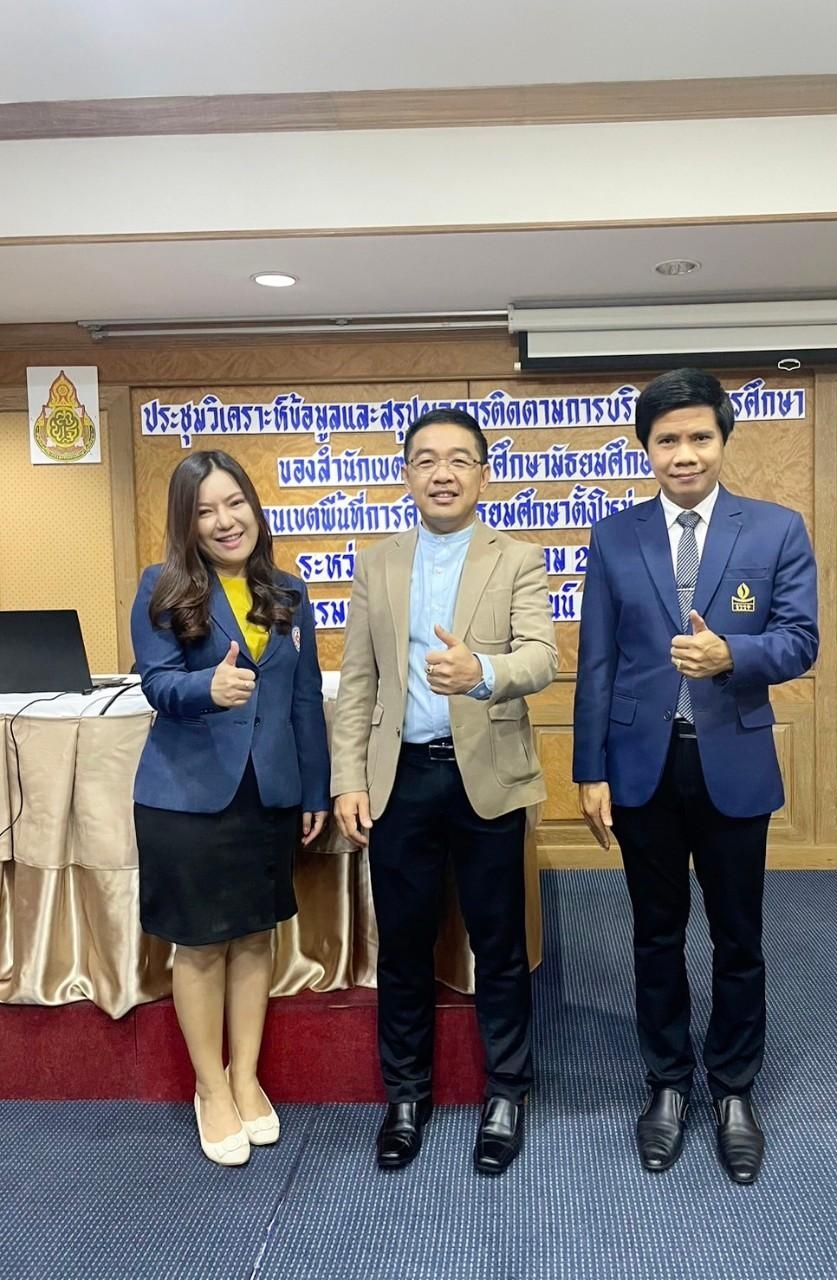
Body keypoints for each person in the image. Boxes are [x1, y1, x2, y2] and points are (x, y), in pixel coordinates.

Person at [574, 368, 818, 1185]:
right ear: (646, 448)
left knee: (738, 936)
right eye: (667, 440)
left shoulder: (775, 529)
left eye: (699, 437)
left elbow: (801, 639)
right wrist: (589, 770)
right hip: (642, 766)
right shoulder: (616, 536)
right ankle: (668, 1082)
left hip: (732, 761)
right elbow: (597, 661)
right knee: (655, 933)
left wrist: (730, 654)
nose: (684, 454)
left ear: (723, 440)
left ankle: (735, 1089)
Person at [331, 408, 557, 1175]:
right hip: (401, 780)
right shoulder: (377, 563)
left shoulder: (518, 558)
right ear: (407, 474)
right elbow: (358, 682)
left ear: (483, 474)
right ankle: (406, 1097)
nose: (443, 473)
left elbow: (542, 657)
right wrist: (348, 778)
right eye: (426, 459)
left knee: (499, 945)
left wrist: (481, 672)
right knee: (403, 946)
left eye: (459, 459)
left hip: (488, 775)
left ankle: (507, 1094)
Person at [131, 449, 330, 1166]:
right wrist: (204, 691)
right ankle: (209, 1088)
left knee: (253, 937)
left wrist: (314, 790)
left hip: (268, 794)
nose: (224, 521)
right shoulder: (162, 587)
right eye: (206, 511)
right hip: (188, 797)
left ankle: (246, 1078)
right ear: (187, 523)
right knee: (201, 943)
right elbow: (155, 682)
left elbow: (304, 700)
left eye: (234, 503)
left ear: (254, 506)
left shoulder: (289, 592)